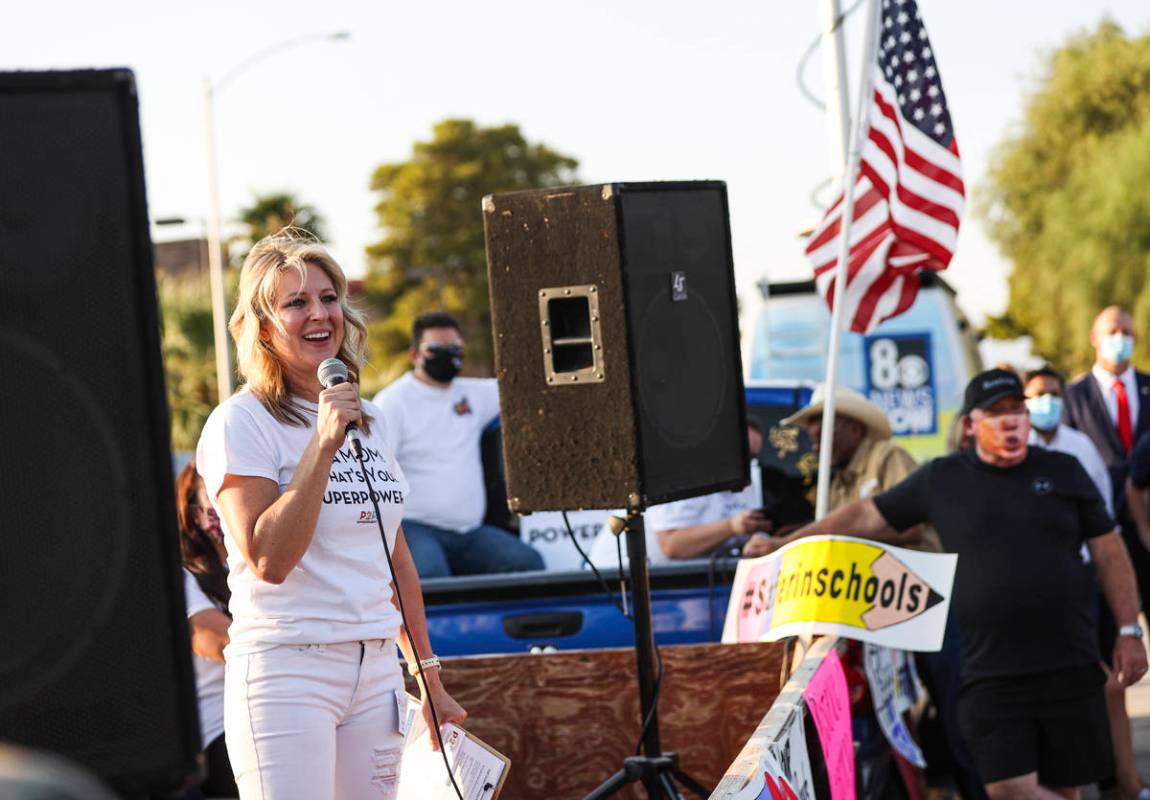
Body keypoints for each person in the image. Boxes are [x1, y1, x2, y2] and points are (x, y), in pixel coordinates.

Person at [753, 368, 1147, 799]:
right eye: (996, 412)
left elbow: (1109, 550)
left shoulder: (1064, 469)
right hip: (990, 671)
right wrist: (786, 543)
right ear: (970, 424)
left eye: (1017, 408)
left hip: (1066, 662)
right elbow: (866, 515)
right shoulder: (943, 478)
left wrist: (1129, 630)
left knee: (1064, 787)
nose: (1009, 420)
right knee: (1008, 787)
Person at [196, 231, 465, 799]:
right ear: (264, 328)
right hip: (287, 670)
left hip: (375, 673)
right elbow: (268, 559)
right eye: (295, 303)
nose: (319, 314)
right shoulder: (240, 422)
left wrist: (428, 677)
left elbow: (392, 558)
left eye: (327, 297)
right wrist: (321, 445)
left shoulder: (372, 418)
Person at [745, 387, 984, 800]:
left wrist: (801, 541)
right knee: (923, 718)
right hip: (887, 622)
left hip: (927, 610)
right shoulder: (837, 480)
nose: (811, 435)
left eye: (819, 423)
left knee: (958, 713)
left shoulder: (887, 459)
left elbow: (907, 524)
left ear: (851, 426)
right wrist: (787, 540)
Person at [372, 312, 544, 578]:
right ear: (415, 355)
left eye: (454, 348)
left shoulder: (473, 394)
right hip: (415, 527)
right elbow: (375, 472)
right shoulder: (393, 402)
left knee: (528, 564)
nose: (448, 354)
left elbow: (524, 388)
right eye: (436, 349)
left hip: (469, 531)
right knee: (431, 576)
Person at [175, 460, 238, 800]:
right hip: (221, 725)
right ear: (193, 509)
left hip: (286, 702)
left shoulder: (265, 566)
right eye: (216, 492)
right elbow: (217, 640)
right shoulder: (181, 575)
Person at [643, 420, 770, 564]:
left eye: (753, 457)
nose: (748, 463)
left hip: (724, 574)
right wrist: (730, 526)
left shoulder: (747, 480)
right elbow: (671, 545)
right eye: (743, 454)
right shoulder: (681, 477)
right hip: (671, 581)